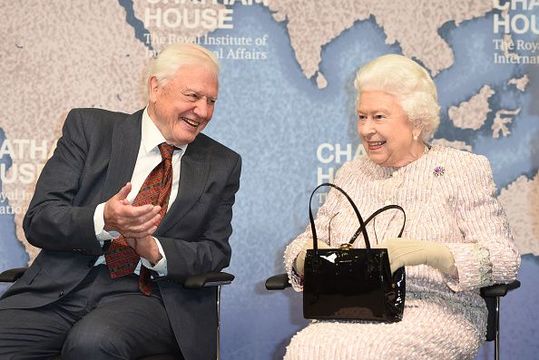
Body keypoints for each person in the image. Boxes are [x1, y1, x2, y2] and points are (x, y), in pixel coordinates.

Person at [0, 43, 241, 360]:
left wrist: (155, 250)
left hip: (147, 296)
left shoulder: (221, 163)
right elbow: (40, 220)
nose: (204, 111)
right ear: (155, 88)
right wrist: (104, 221)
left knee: (91, 343)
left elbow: (215, 251)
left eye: (211, 101)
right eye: (193, 96)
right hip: (61, 289)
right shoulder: (90, 129)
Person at [283, 54, 520, 359]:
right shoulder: (350, 174)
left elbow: (504, 259)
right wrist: (305, 256)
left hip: (439, 311)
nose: (366, 129)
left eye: (379, 117)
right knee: (306, 348)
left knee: (370, 353)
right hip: (354, 312)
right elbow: (304, 242)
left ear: (416, 122)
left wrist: (432, 253)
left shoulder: (462, 169)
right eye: (361, 116)